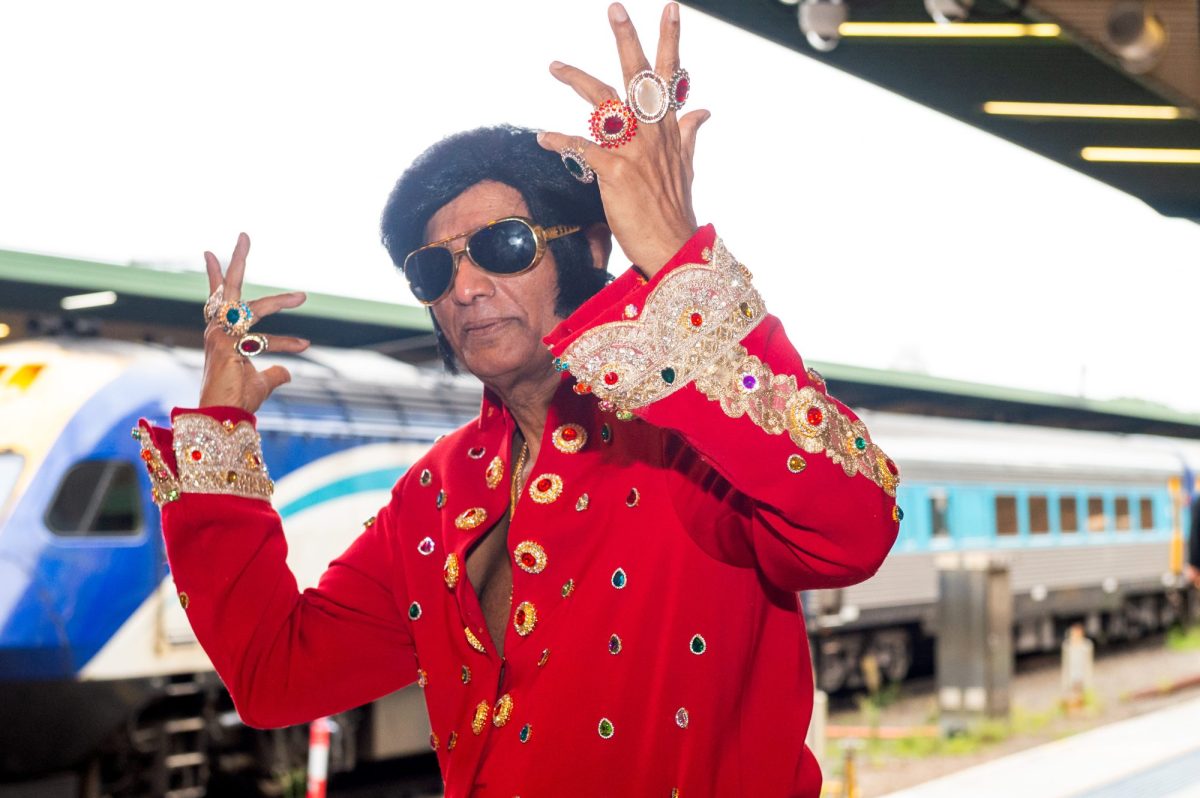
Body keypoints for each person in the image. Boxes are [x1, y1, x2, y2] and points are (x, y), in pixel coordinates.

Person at [134, 4, 900, 795]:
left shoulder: (689, 440)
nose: (464, 287)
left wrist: (675, 256)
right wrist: (221, 432)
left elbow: (855, 529)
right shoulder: (436, 493)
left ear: (593, 248)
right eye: (434, 270)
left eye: (504, 246)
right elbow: (277, 676)